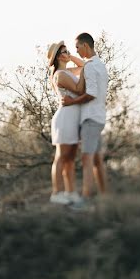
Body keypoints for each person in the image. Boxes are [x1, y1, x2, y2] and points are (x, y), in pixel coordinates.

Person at [61, 32, 109, 199]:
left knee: (86, 158)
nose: (76, 51)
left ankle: (86, 197)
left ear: (85, 46)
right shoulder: (100, 65)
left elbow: (91, 94)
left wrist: (71, 103)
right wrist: (73, 57)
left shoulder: (90, 66)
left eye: (77, 47)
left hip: (90, 118)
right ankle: (104, 196)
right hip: (99, 117)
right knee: (96, 160)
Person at [47, 41, 85, 205]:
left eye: (67, 50)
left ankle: (71, 192)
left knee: (70, 159)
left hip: (74, 118)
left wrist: (72, 57)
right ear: (57, 57)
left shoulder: (68, 71)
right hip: (65, 118)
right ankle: (56, 193)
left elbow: (84, 67)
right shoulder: (60, 75)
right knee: (61, 157)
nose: (67, 53)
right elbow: (79, 89)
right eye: (63, 51)